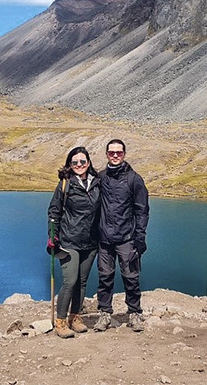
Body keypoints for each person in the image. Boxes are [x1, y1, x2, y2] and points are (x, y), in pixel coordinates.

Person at [94, 139, 149, 332]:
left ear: (124, 154)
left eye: (119, 152)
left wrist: (140, 238)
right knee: (105, 277)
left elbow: (142, 211)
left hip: (127, 239)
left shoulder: (134, 179)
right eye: (111, 152)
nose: (115, 155)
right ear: (107, 154)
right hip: (104, 240)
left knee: (131, 277)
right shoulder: (100, 177)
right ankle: (104, 314)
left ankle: (134, 313)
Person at [47, 146, 101, 338]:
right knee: (70, 281)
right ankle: (60, 322)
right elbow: (54, 212)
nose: (79, 165)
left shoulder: (97, 183)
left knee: (82, 282)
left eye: (83, 162)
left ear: (88, 163)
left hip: (91, 242)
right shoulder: (65, 184)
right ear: (70, 164)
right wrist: (53, 236)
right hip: (69, 241)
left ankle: (75, 317)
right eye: (75, 162)